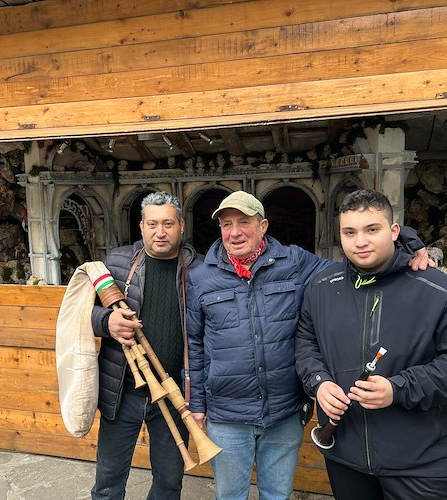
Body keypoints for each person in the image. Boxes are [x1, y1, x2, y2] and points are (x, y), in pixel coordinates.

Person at [186, 190, 432, 500]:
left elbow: (357, 256)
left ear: (263, 226)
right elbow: (194, 343)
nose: (235, 232)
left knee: (277, 495)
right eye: (226, 224)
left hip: (284, 412)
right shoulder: (200, 277)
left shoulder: (296, 261)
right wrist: (196, 403)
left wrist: (409, 242)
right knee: (230, 496)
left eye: (244, 222)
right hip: (227, 414)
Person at [295, 189, 447, 500]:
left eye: (372, 229)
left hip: (419, 463)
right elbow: (306, 343)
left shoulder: (435, 289)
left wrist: (398, 389)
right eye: (349, 232)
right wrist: (319, 383)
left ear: (394, 231)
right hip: (344, 455)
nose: (360, 241)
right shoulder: (321, 287)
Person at [90, 191, 202, 500]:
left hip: (174, 394)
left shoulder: (201, 271)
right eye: (152, 224)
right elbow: (77, 314)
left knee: (168, 484)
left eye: (168, 223)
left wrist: (200, 398)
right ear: (141, 227)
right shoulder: (116, 262)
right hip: (123, 391)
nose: (160, 232)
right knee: (108, 481)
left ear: (181, 225)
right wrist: (106, 322)